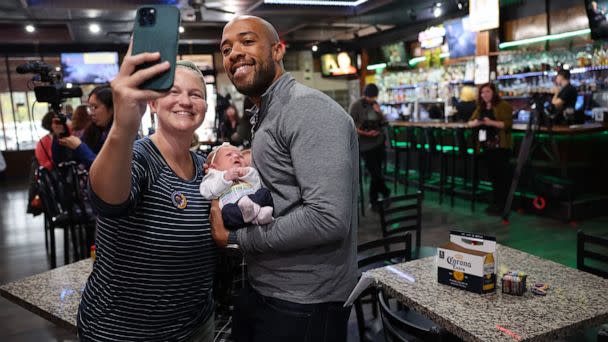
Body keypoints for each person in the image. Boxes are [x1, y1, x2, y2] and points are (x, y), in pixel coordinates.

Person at [213, 15, 358, 342]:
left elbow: (328, 219)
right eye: (226, 48)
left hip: (305, 300)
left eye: (247, 42)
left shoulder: (307, 109)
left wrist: (237, 239)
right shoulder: (266, 112)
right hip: (267, 287)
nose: (234, 52)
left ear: (278, 51)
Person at [77, 48, 217, 341]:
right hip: (123, 332)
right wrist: (124, 127)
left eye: (196, 94)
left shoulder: (206, 167)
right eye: (174, 91)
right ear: (152, 102)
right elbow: (108, 200)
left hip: (195, 325)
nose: (185, 101)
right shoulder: (140, 157)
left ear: (205, 105)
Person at [200, 142, 273, 229]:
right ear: (214, 167)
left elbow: (257, 185)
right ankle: (258, 215)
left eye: (241, 156)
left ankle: (255, 214)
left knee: (264, 192)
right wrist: (225, 179)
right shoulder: (214, 176)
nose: (236, 156)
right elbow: (206, 192)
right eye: (228, 155)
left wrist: (247, 174)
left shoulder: (246, 173)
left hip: (252, 201)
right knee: (227, 211)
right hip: (234, 208)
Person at [468, 83, 513, 215]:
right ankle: (495, 203)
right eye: (482, 93)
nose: (484, 95)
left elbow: (507, 124)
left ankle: (502, 204)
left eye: (487, 92)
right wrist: (478, 122)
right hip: (486, 146)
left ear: (494, 92)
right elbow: (470, 123)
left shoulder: (503, 105)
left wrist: (490, 122)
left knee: (501, 176)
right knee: (492, 175)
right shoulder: (480, 107)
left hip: (500, 146)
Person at [349, 83, 390, 211]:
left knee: (377, 173)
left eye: (374, 97)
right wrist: (365, 133)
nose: (372, 99)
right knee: (375, 172)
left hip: (378, 142)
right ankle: (385, 192)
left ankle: (374, 201)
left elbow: (383, 123)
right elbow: (351, 125)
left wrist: (379, 112)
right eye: (370, 97)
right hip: (365, 145)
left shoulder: (375, 104)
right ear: (365, 95)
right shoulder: (356, 106)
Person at [57, 85, 114, 168]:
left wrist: (80, 147)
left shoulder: (122, 136)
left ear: (112, 108)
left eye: (95, 107)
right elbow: (66, 159)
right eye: (90, 108)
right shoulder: (93, 130)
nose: (91, 113)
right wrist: (61, 134)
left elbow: (105, 169)